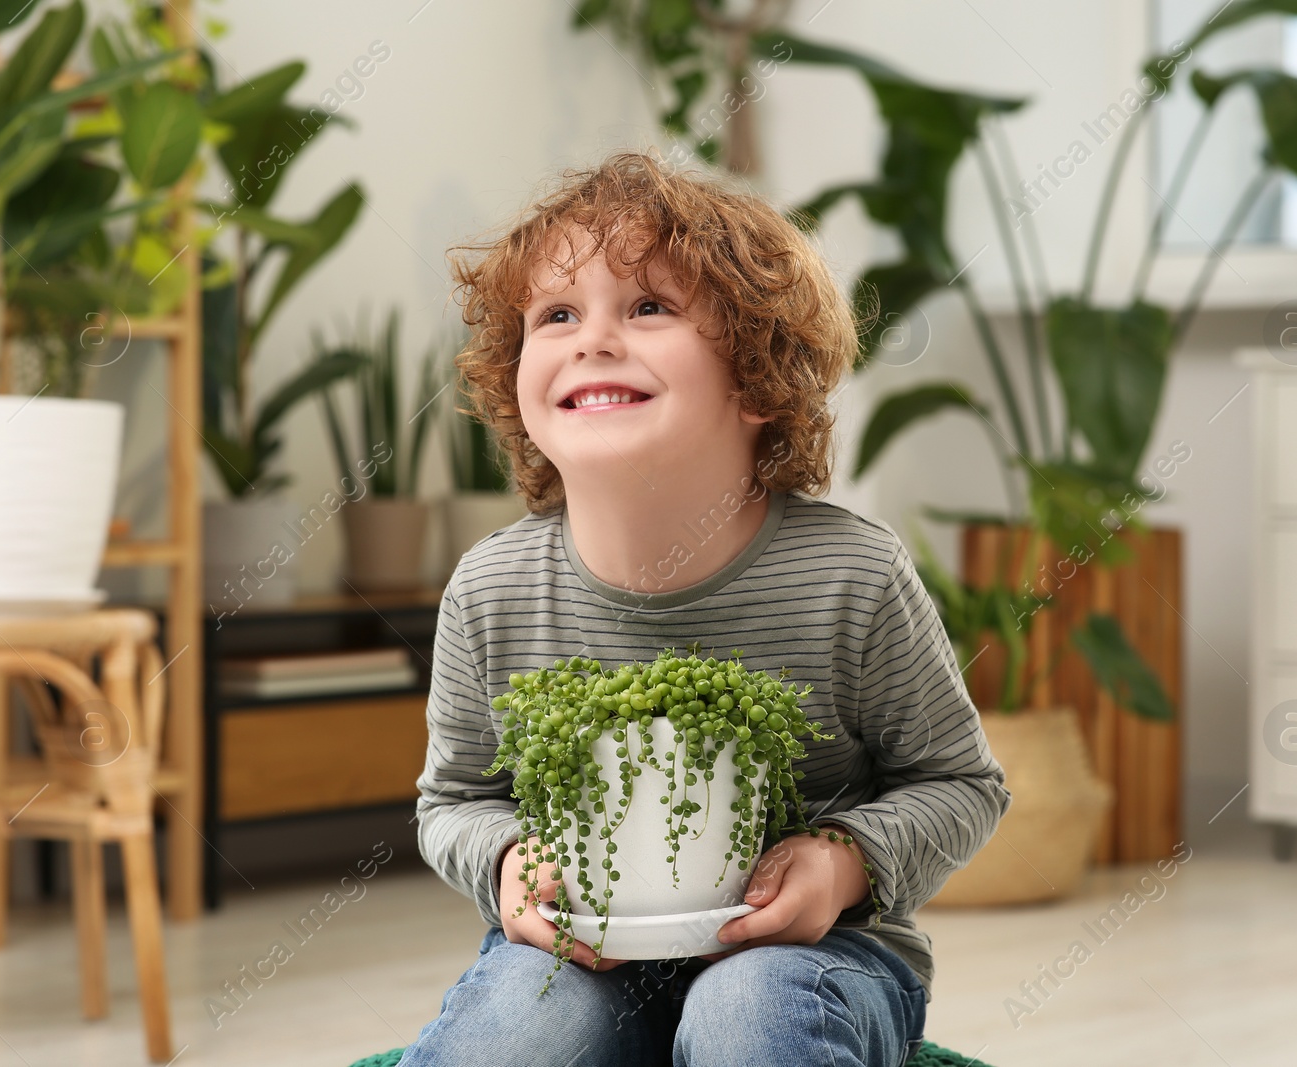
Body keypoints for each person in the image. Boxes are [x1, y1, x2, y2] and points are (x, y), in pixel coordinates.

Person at [396, 149, 1011, 1067]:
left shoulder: (852, 573)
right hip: (583, 953)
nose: (592, 339)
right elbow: (455, 800)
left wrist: (843, 862)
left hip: (815, 957)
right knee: (518, 1029)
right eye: (556, 314)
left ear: (758, 380)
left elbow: (963, 785)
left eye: (648, 306)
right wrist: (505, 864)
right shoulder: (491, 590)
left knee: (746, 1012)